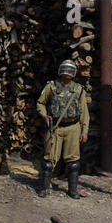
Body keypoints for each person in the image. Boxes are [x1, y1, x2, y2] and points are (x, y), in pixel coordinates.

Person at [36, 59, 90, 199]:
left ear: (74, 73)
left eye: (70, 70)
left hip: (73, 128)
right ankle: (45, 188)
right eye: (65, 70)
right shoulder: (51, 87)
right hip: (55, 127)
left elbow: (84, 112)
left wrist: (85, 130)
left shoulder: (79, 89)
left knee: (73, 163)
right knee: (48, 161)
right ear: (61, 71)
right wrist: (44, 116)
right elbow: (40, 103)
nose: (68, 73)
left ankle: (73, 190)